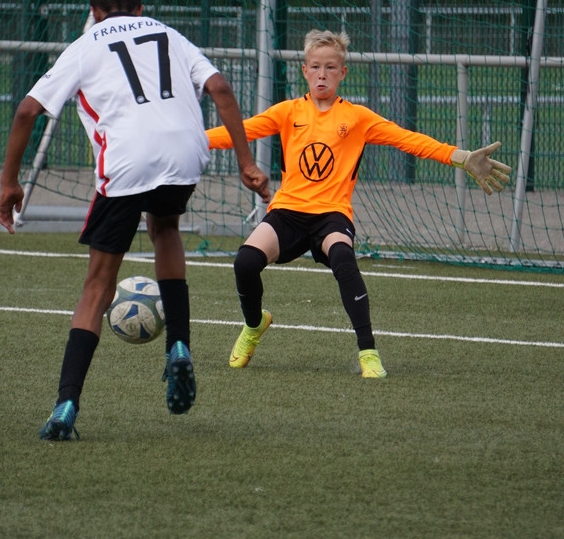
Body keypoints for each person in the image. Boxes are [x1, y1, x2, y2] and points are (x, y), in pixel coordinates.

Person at [0, 0, 270, 440]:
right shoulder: (169, 34)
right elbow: (221, 88)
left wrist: (9, 183)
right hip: (187, 152)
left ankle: (65, 407)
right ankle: (180, 348)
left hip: (127, 161)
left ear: (94, 12)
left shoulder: (86, 45)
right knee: (165, 230)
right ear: (140, 8)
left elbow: (27, 111)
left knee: (97, 287)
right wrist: (246, 162)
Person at [207, 29, 511, 378]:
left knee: (342, 257)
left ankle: (368, 353)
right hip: (287, 212)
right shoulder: (287, 112)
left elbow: (409, 140)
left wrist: (461, 157)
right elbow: (237, 131)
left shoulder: (357, 118)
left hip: (332, 216)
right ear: (304, 71)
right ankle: (254, 325)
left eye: (331, 68)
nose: (323, 74)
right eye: (316, 67)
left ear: (343, 73)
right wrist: (187, 141)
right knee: (245, 262)